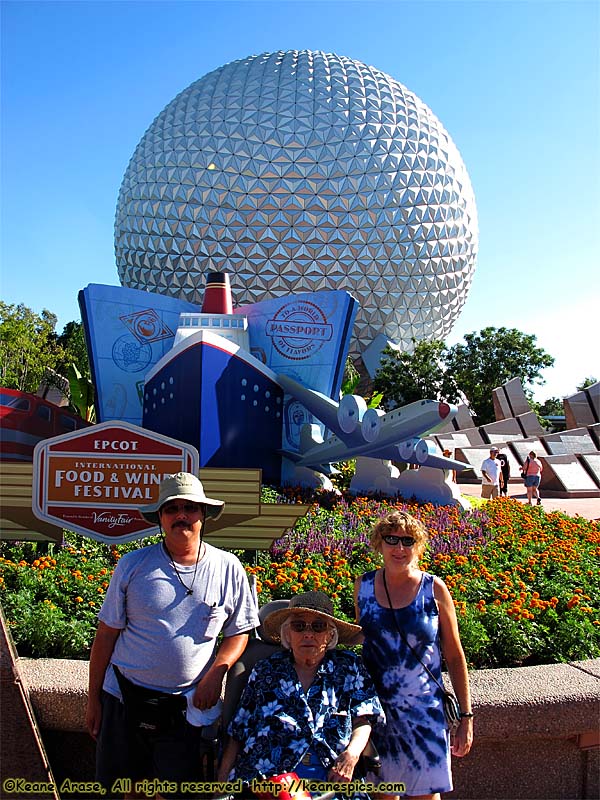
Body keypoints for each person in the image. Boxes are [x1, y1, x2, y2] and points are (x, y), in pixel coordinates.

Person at [86, 472, 259, 797]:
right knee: (123, 790)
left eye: (190, 508)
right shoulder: (132, 565)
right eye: (172, 509)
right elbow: (106, 635)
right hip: (123, 698)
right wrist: (93, 698)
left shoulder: (228, 567)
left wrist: (216, 672)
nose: (182, 516)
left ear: (203, 515)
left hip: (184, 707)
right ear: (161, 518)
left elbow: (240, 632)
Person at [355, 511, 473, 800]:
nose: (399, 548)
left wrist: (466, 718)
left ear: (419, 546)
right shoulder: (363, 586)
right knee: (383, 794)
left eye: (407, 541)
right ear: (378, 544)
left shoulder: (434, 589)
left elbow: (455, 656)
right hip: (379, 714)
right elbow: (363, 645)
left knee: (425, 796)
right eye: (391, 539)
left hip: (425, 715)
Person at [217, 591, 385, 794]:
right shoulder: (266, 670)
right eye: (298, 626)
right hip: (269, 778)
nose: (308, 633)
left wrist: (351, 755)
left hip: (331, 778)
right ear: (287, 633)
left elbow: (363, 720)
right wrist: (222, 787)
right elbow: (238, 730)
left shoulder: (348, 667)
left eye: (318, 626)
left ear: (330, 635)